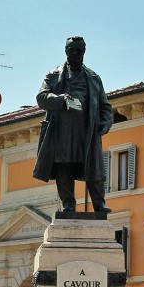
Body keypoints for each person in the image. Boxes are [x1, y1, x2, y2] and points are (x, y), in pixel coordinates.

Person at [33, 36, 113, 214]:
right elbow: (41, 98)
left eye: (78, 50)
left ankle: (99, 204)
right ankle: (68, 204)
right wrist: (61, 99)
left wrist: (106, 123)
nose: (75, 53)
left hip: (87, 131)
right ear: (66, 51)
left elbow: (105, 106)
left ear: (84, 51)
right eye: (71, 50)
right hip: (61, 131)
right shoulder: (53, 76)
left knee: (94, 168)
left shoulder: (93, 78)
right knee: (64, 166)